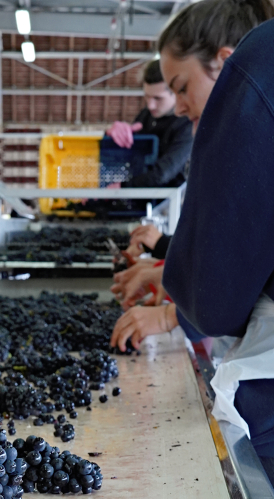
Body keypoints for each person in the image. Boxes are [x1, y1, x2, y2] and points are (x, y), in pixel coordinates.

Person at [110, 0, 274, 355]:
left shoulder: (254, 99)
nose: (179, 106)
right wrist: (173, 271)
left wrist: (177, 311)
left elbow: (217, 302)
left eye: (181, 88)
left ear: (226, 62)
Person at [105, 59, 193, 189]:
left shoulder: (188, 124)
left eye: (158, 98)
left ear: (176, 92)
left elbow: (163, 173)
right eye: (147, 97)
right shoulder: (146, 116)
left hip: (169, 204)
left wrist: (123, 187)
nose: (150, 105)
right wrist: (113, 135)